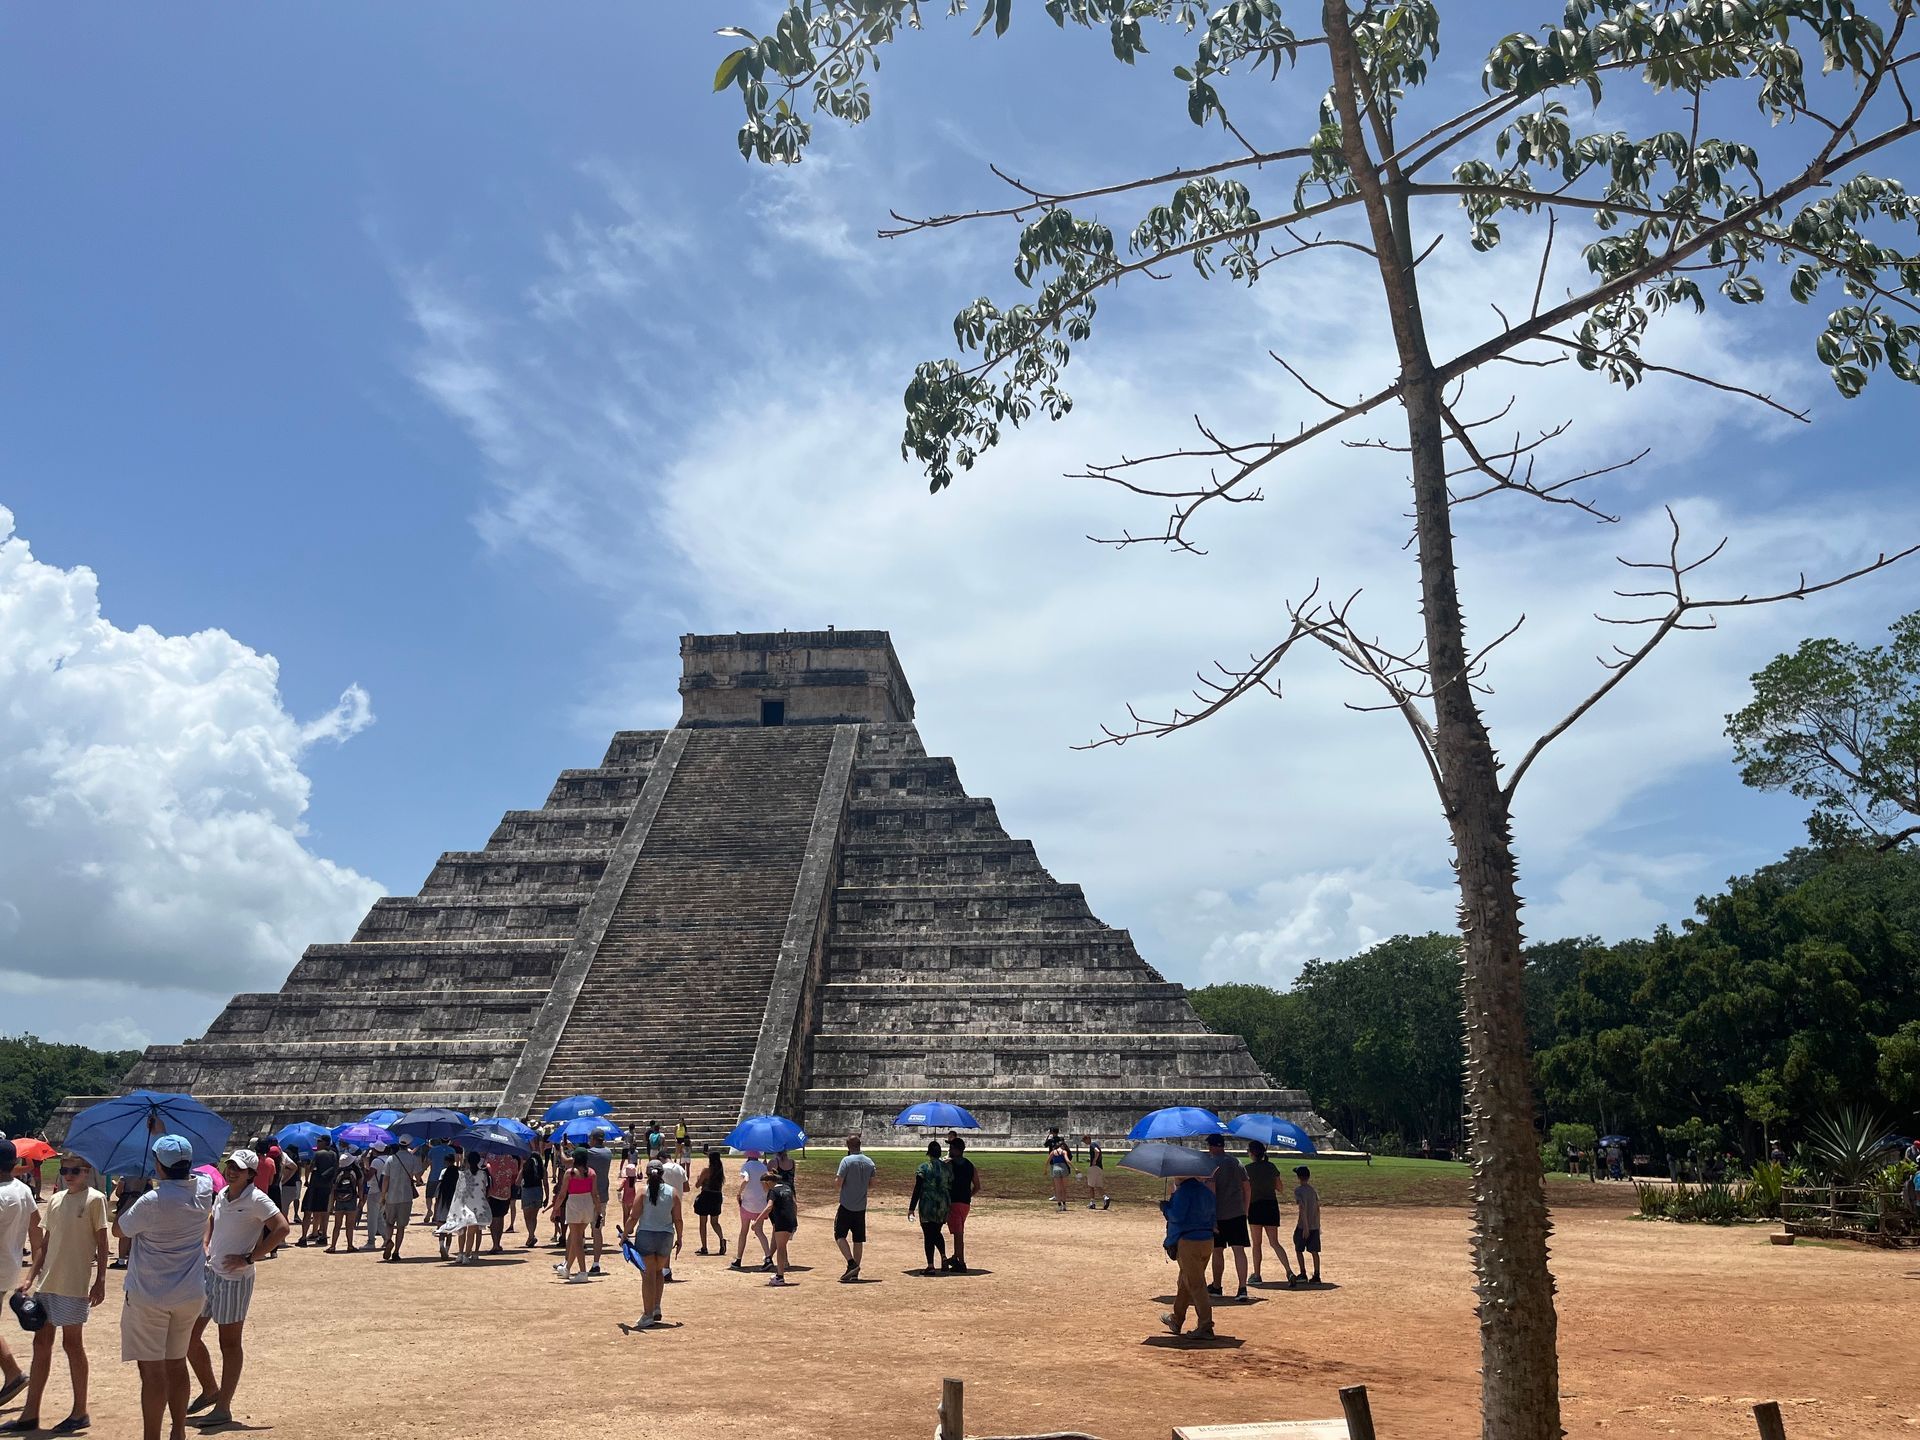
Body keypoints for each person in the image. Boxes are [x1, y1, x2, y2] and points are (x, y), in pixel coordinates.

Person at [114, 1134, 214, 1440]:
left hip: (150, 1293)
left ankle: (152, 1436)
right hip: (188, 1292)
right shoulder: (204, 1192)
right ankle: (178, 1431)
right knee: (176, 1362)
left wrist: (133, 1196)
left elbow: (120, 1229)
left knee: (153, 1371)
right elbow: (194, 1175)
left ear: (159, 1165)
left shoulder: (151, 1201)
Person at [185, 1148, 288, 1430]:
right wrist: (206, 1243)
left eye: (239, 1168)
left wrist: (250, 1257)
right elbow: (212, 1219)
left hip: (235, 1278)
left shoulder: (257, 1199)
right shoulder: (224, 1195)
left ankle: (223, 1407)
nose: (232, 1170)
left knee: (229, 1344)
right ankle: (210, 1390)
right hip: (212, 1273)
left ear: (251, 1174)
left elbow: (281, 1228)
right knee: (188, 1337)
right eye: (230, 1165)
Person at [7, 1152, 107, 1434]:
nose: (68, 1175)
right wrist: (29, 1278)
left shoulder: (95, 1199)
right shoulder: (55, 1199)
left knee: (73, 1345)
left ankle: (80, 1410)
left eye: (74, 1171)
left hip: (74, 1284)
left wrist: (100, 1281)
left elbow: (102, 1245)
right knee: (41, 1344)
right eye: (65, 1170)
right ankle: (31, 1412)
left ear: (86, 1172)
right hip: (48, 1283)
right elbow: (45, 1243)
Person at [0, 1140, 45, 1413]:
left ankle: (14, 1373)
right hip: (10, 1265)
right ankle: (13, 1373)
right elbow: (36, 1230)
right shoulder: (23, 1190)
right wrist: (33, 1270)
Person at [621, 1162, 684, 1330]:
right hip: (665, 1236)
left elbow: (633, 1217)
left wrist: (625, 1235)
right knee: (658, 1272)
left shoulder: (642, 1192)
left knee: (647, 1275)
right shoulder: (673, 1193)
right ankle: (656, 1306)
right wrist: (680, 1238)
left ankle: (647, 1314)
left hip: (646, 1235)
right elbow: (678, 1218)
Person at [1159, 1169, 1216, 1340]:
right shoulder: (1206, 1191)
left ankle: (1205, 1325)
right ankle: (1177, 1319)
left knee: (1195, 1284)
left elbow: (1177, 1216)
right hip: (1207, 1240)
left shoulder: (1183, 1192)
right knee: (1186, 1281)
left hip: (1189, 1241)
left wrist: (1165, 1208)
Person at [1205, 1133, 1251, 1302]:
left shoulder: (1211, 1164)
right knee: (1239, 1251)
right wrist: (1245, 1210)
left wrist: (1212, 1217)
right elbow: (1247, 1188)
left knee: (1217, 1252)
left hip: (1219, 1214)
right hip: (1237, 1213)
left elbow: (1212, 1192)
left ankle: (1217, 1286)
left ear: (1212, 1146)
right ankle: (1242, 1288)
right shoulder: (1236, 1162)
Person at [1243, 1141, 1295, 1286]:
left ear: (1252, 1153)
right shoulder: (1271, 1167)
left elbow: (1245, 1190)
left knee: (1257, 1244)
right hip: (1270, 1206)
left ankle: (1257, 1274)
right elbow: (1280, 1187)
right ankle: (1289, 1271)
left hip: (1255, 1206)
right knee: (1275, 1242)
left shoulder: (1247, 1169)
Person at [833, 1136, 875, 1283]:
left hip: (846, 1204)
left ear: (848, 1146)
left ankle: (851, 1263)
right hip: (861, 1206)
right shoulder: (869, 1162)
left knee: (839, 1235)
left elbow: (838, 1183)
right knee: (858, 1239)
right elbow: (871, 1184)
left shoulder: (846, 1161)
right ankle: (855, 1271)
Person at [906, 1140, 951, 1277]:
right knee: (936, 1231)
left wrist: (911, 1208)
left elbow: (917, 1189)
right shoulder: (947, 1168)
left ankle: (930, 1265)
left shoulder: (923, 1168)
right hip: (942, 1204)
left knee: (928, 1234)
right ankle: (943, 1257)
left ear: (929, 1153)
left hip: (928, 1204)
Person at [437, 1152, 489, 1266]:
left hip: (464, 1205)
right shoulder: (483, 1174)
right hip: (478, 1205)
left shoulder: (463, 1174)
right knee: (472, 1232)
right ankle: (466, 1255)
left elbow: (458, 1192)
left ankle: (460, 1253)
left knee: (462, 1231)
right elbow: (484, 1189)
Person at [551, 1150, 595, 1282]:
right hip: (588, 1204)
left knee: (576, 1239)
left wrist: (555, 1209)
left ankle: (582, 1272)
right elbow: (595, 1194)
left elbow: (562, 1194)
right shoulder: (592, 1172)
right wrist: (598, 1210)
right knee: (577, 1236)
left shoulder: (570, 1173)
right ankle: (567, 1268)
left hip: (575, 1203)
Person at [378, 1142, 423, 1262]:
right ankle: (396, 1251)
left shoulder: (391, 1159)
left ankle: (388, 1241)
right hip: (406, 1197)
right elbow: (419, 1177)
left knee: (389, 1223)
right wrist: (417, 1180)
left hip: (392, 1196)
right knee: (401, 1226)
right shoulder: (413, 1159)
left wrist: (383, 1196)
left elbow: (385, 1179)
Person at [730, 1152, 773, 1272]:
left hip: (747, 1204)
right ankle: (768, 1257)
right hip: (760, 1205)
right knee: (759, 1231)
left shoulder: (746, 1166)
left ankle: (738, 1259)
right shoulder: (763, 1167)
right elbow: (766, 1186)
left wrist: (739, 1193)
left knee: (743, 1231)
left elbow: (746, 1180)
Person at [652, 1145, 689, 1283]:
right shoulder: (680, 1168)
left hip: (663, 1203)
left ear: (661, 1159)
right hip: (676, 1203)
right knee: (669, 1235)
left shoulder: (662, 1169)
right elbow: (686, 1188)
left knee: (660, 1236)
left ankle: (663, 1268)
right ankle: (666, 1268)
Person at [945, 1135, 979, 1273]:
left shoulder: (949, 1164)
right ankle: (955, 1256)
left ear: (958, 1150)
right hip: (965, 1203)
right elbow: (977, 1186)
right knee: (958, 1230)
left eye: (952, 1147)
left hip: (953, 1202)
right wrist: (968, 1196)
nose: (949, 1149)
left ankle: (961, 1262)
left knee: (958, 1233)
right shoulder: (970, 1165)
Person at [584, 1131, 614, 1277]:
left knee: (576, 1229)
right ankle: (596, 1263)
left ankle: (568, 1262)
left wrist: (564, 1149)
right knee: (597, 1231)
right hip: (602, 1196)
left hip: (588, 1196)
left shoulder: (590, 1153)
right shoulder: (608, 1152)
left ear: (594, 1139)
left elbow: (569, 1161)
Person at [763, 1168, 798, 1287]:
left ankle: (780, 1277)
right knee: (781, 1246)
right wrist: (794, 1221)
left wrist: (757, 1221)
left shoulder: (772, 1191)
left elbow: (769, 1207)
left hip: (782, 1222)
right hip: (791, 1221)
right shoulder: (787, 1188)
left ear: (767, 1183)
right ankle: (779, 1272)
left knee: (781, 1248)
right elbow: (794, 1204)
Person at [298, 1137, 335, 1247]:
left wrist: (307, 1180)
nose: (317, 1143)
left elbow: (311, 1167)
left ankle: (303, 1237)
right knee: (324, 1212)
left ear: (325, 1143)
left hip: (315, 1186)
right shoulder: (333, 1154)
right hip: (326, 1186)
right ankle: (323, 1236)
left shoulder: (318, 1154)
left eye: (319, 1141)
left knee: (308, 1211)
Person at [326, 1147, 363, 1253]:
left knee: (337, 1225)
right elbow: (360, 1186)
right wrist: (360, 1199)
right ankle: (350, 1246)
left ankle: (333, 1246)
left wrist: (332, 1203)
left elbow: (333, 1189)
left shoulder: (337, 1172)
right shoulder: (356, 1171)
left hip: (339, 1200)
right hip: (351, 1200)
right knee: (350, 1225)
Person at [482, 1149, 519, 1255]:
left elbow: (486, 1170)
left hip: (492, 1192)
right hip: (506, 1192)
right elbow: (514, 1176)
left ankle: (495, 1244)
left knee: (494, 1219)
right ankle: (498, 1242)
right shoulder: (511, 1160)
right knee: (501, 1217)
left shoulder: (490, 1157)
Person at [692, 1149, 727, 1256]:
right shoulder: (720, 1171)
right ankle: (721, 1239)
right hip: (716, 1197)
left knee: (703, 1223)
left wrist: (699, 1179)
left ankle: (704, 1247)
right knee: (715, 1222)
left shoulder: (706, 1171)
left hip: (706, 1196)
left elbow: (697, 1185)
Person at [1292, 1166, 1321, 1285]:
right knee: (1314, 1251)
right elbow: (1318, 1208)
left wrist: (1305, 1226)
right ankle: (1317, 1275)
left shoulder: (1298, 1191)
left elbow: (1302, 1208)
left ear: (1298, 1177)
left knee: (1298, 1249)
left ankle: (1303, 1273)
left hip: (1303, 1226)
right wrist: (1318, 1225)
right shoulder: (1313, 1190)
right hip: (1315, 1225)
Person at [431, 1146, 462, 1260]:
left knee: (441, 1230)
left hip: (442, 1207)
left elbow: (437, 1196)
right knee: (450, 1232)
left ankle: (441, 1246)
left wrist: (435, 1211)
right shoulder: (458, 1179)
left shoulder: (443, 1178)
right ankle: (447, 1251)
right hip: (453, 1208)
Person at [518, 1149, 548, 1248]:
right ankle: (531, 1236)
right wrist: (547, 1197)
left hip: (527, 1191)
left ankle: (531, 1236)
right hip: (538, 1191)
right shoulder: (542, 1168)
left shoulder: (525, 1167)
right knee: (533, 1217)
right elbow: (546, 1184)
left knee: (527, 1217)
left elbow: (517, 1182)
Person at [617, 1145, 641, 1234]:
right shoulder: (634, 1180)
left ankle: (626, 1229)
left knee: (625, 1215)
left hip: (625, 1199)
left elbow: (619, 1189)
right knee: (631, 1215)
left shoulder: (625, 1181)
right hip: (633, 1199)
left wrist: (618, 1190)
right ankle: (631, 1229)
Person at [1046, 1135, 1072, 1211]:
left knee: (1058, 1189)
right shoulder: (1064, 1152)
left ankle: (1059, 1204)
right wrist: (1074, 1167)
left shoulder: (1053, 1152)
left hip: (1055, 1168)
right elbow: (1067, 1160)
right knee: (1064, 1188)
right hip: (1063, 1168)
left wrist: (1045, 1170)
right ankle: (1064, 1204)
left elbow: (1047, 1161)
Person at [1084, 1135, 1109, 1210]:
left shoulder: (1092, 1145)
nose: (1085, 1142)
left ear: (1088, 1139)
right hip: (1099, 1168)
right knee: (1098, 1185)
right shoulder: (1096, 1145)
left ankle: (1092, 1203)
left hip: (1094, 1168)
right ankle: (1105, 1197)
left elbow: (1097, 1152)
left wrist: (1094, 1160)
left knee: (1091, 1186)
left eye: (1085, 1140)